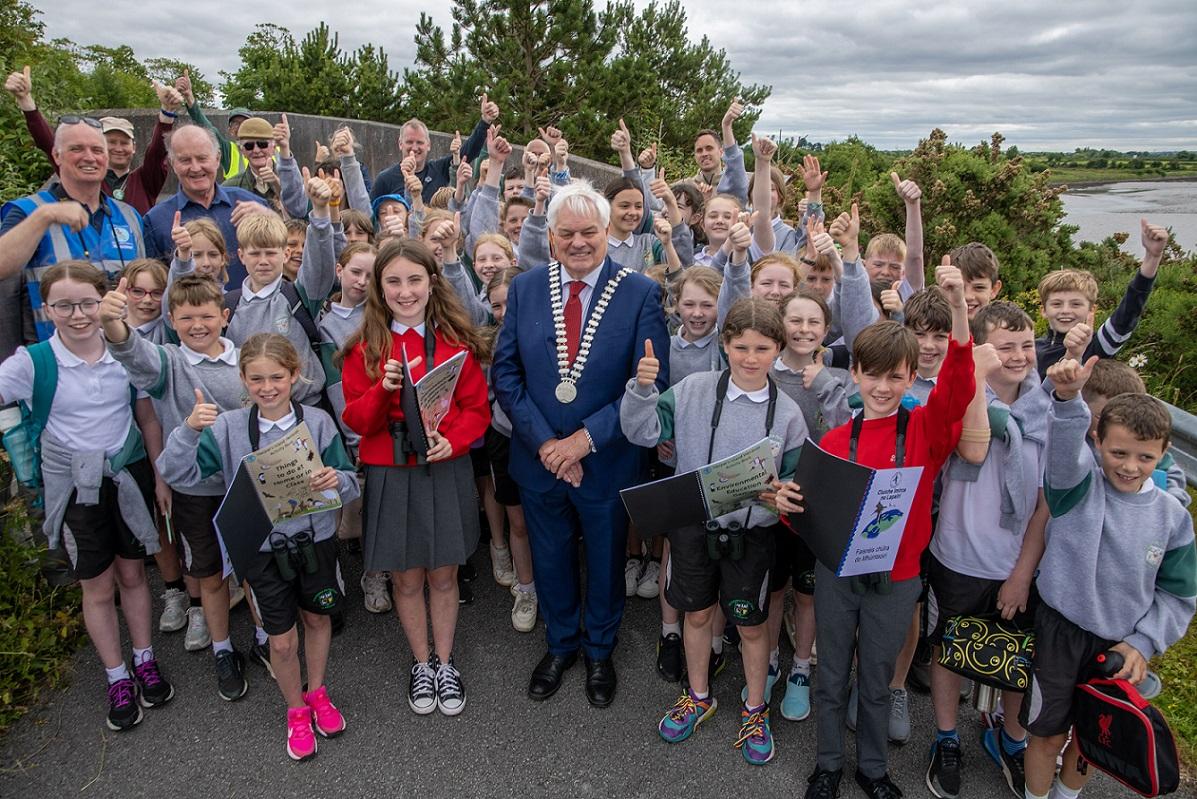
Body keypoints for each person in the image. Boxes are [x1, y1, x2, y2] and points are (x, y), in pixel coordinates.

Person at [786, 258, 975, 799]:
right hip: (837, 575)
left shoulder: (924, 430)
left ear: (911, 378)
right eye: (874, 374)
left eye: (897, 376)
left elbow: (960, 388)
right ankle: (827, 766)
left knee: (874, 680)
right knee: (830, 677)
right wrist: (785, 502)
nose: (885, 386)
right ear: (855, 375)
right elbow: (806, 515)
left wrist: (959, 309)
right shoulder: (832, 439)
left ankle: (872, 769)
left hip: (897, 580)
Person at [492, 180, 670, 708]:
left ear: (607, 232)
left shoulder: (640, 292)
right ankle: (561, 643)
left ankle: (599, 649)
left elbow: (646, 384)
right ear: (550, 237)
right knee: (549, 556)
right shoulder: (525, 289)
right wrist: (550, 444)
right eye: (566, 233)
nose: (578, 242)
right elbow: (506, 374)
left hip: (607, 459)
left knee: (606, 555)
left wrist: (582, 442)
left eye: (588, 231)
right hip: (539, 458)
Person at [622, 298, 808, 765]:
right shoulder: (690, 390)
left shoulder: (788, 415)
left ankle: (754, 707)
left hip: (754, 536)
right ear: (724, 345)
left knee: (750, 624)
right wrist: (642, 389)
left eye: (762, 348)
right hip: (693, 528)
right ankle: (699, 695)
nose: (750, 357)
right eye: (740, 346)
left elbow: (794, 481)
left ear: (777, 350)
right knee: (699, 615)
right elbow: (642, 432)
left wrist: (782, 495)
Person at [158, 333, 358, 761]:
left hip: (315, 542)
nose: (267, 387)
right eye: (256, 379)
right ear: (243, 380)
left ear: (295, 375)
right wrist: (189, 430)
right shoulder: (229, 428)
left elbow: (349, 480)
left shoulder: (318, 423)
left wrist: (335, 480)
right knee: (282, 642)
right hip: (263, 553)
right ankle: (295, 711)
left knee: (319, 622)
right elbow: (179, 473)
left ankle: (318, 691)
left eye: (277, 378)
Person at [0, 262, 173, 731]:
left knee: (135, 574)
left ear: (104, 301)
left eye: (87, 303)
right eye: (63, 305)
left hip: (126, 472)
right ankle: (116, 676)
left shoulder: (124, 348)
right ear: (46, 308)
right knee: (96, 584)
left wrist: (159, 475)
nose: (77, 315)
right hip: (76, 485)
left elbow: (147, 416)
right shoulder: (31, 362)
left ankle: (144, 658)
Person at [1022, 356, 1195, 799]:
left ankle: (1067, 794)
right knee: (1045, 731)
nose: (1130, 466)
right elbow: (1062, 455)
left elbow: (1178, 595)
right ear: (1097, 441)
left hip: (1118, 644)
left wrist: (1143, 642)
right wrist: (1066, 399)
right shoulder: (1077, 486)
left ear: (1162, 455)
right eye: (1118, 453)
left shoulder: (1173, 518)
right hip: (1059, 632)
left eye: (1145, 457)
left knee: (1090, 736)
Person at [340, 239, 490, 717]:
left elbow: (476, 411)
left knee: (444, 573)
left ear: (431, 283)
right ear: (379, 289)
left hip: (443, 469)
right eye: (394, 282)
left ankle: (445, 662)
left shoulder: (455, 344)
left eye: (414, 280)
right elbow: (357, 422)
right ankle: (420, 662)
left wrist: (456, 440)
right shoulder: (363, 349)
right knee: (406, 578)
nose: (405, 292)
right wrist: (383, 392)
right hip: (391, 473)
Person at [101, 274, 254, 701]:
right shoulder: (167, 363)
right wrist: (113, 324)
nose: (197, 325)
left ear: (224, 317)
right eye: (186, 317)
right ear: (172, 319)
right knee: (208, 573)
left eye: (206, 315)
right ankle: (223, 649)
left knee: (255, 568)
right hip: (194, 490)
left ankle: (263, 639)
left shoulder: (244, 360)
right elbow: (131, 350)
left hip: (244, 486)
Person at [924, 302, 1051, 799]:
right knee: (949, 651)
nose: (1019, 357)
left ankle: (1012, 740)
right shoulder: (957, 393)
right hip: (958, 552)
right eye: (1004, 347)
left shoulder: (1050, 407)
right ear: (980, 351)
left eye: (1026, 345)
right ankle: (946, 737)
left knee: (1022, 659)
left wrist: (1023, 571)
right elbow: (971, 448)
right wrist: (975, 377)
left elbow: (1046, 502)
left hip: (1020, 559)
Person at [0, 118, 146, 355]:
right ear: (57, 156)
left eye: (97, 150)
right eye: (76, 149)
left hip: (121, 360)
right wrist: (44, 216)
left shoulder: (129, 216)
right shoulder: (29, 211)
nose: (89, 157)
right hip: (54, 366)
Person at [4, 65, 181, 215]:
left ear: (134, 147)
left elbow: (158, 152)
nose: (118, 147)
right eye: (110, 142)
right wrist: (25, 100)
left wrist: (167, 112)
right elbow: (49, 142)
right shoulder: (84, 175)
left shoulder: (145, 180)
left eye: (124, 142)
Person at [141, 125, 273, 288]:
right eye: (185, 160)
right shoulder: (155, 221)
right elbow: (155, 288)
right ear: (172, 164)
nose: (195, 168)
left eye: (202, 158)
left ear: (217, 159)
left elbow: (286, 255)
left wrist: (271, 218)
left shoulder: (252, 204)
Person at [1034, 219, 1167, 378]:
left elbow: (1129, 311)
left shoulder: (1097, 345)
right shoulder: (1032, 348)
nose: (1065, 310)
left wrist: (1152, 257)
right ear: (1043, 310)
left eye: (1076, 304)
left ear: (1092, 310)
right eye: (1056, 304)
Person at [370, 96, 498, 204]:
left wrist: (485, 121)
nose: (414, 148)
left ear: (429, 145)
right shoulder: (385, 179)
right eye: (409, 142)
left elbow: (467, 154)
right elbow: (371, 217)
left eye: (420, 142)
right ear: (400, 144)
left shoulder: (439, 169)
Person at [221, 115, 308, 219]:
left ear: (273, 148)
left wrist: (276, 183)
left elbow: (299, 212)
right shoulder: (230, 188)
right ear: (242, 151)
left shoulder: (292, 180)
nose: (256, 150)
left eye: (262, 144)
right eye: (249, 146)